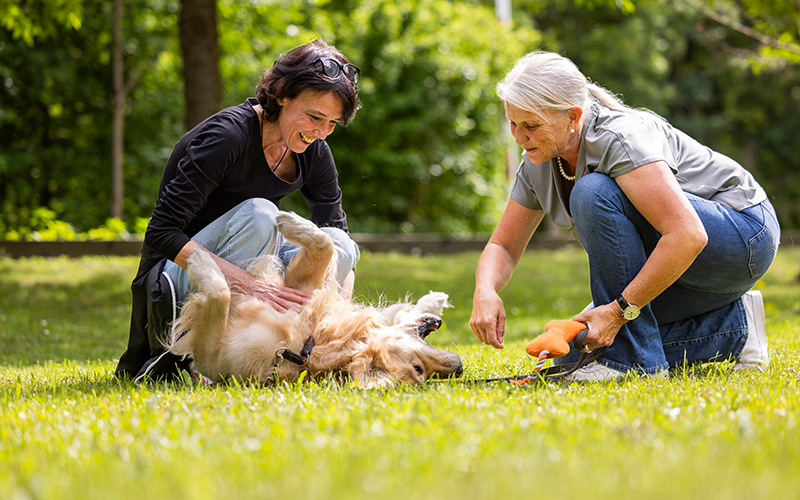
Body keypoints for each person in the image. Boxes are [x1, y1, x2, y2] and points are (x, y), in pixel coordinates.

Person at [470, 51, 780, 381]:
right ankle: (738, 328)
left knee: (592, 192)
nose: (519, 137)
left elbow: (688, 234)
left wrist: (618, 312)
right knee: (582, 345)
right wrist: (485, 290)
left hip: (743, 237)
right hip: (683, 256)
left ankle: (629, 362)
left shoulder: (619, 137)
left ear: (573, 117)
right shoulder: (538, 158)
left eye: (531, 126)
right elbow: (504, 244)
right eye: (513, 123)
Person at [115, 39, 363, 381]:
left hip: (252, 276)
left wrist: (337, 314)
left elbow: (338, 235)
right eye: (314, 117)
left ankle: (276, 347)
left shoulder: (314, 151)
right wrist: (253, 285)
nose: (321, 133)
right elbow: (161, 234)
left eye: (332, 123)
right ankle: (198, 358)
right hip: (174, 281)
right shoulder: (228, 137)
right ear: (281, 94)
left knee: (340, 245)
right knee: (260, 216)